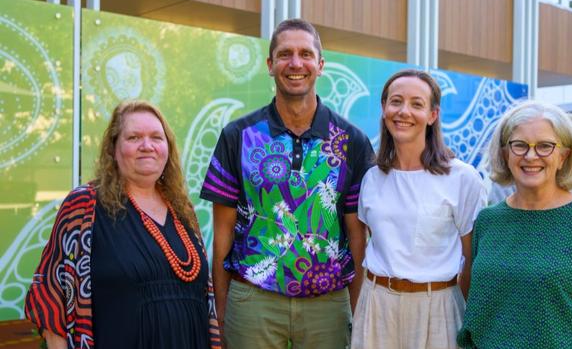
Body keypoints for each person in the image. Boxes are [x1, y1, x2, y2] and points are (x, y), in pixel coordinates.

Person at [200, 18, 374, 348]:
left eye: (306, 54)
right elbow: (221, 233)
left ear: (320, 65)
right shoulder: (238, 136)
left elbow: (357, 235)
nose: (296, 63)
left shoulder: (351, 141)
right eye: (285, 54)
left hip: (328, 305)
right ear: (270, 65)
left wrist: (357, 310)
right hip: (253, 301)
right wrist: (222, 311)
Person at [24, 100, 221, 349]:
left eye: (156, 138)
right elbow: (51, 293)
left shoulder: (181, 208)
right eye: (134, 137)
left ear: (167, 148)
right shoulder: (84, 205)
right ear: (113, 150)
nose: (147, 146)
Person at [457, 101, 572, 348]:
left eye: (544, 146)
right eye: (519, 145)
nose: (531, 156)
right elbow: (476, 298)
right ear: (505, 153)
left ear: (563, 156)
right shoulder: (489, 221)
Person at [350, 69, 487, 349]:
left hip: (437, 307)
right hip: (377, 305)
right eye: (396, 101)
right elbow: (363, 246)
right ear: (384, 108)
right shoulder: (372, 178)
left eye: (417, 104)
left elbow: (472, 259)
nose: (404, 112)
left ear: (433, 115)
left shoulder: (461, 178)